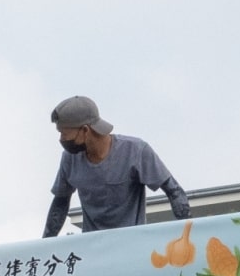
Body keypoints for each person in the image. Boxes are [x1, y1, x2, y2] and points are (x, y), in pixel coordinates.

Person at [43, 95, 188, 236]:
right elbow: (60, 203)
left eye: (63, 133)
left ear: (85, 130)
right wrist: (44, 245)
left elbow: (175, 192)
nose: (61, 139)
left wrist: (188, 235)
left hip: (131, 246)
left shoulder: (136, 151)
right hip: (93, 249)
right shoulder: (70, 159)